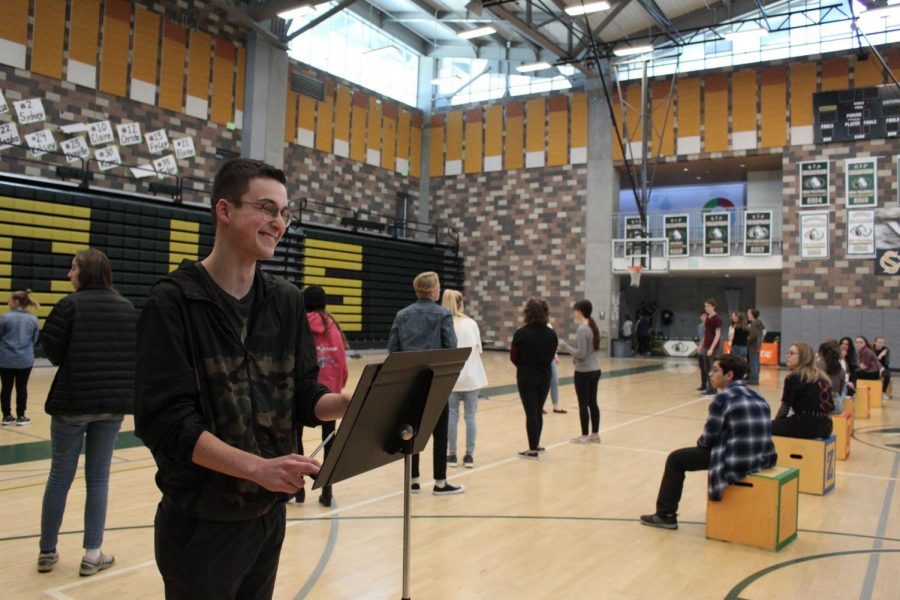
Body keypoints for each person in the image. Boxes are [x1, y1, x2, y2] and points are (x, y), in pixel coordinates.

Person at [134, 159, 350, 599]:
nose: (278, 223)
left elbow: (305, 395)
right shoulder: (173, 302)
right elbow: (166, 423)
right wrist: (258, 469)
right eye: (267, 208)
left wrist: (355, 401)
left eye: (284, 213)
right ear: (225, 210)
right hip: (201, 523)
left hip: (269, 514)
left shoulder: (287, 301)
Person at [37, 249, 137, 576]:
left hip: (71, 402)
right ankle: (92, 554)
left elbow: (51, 351)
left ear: (86, 272)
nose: (69, 274)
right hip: (111, 406)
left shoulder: (70, 306)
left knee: (59, 477)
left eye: (73, 267)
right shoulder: (126, 308)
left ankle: (48, 551)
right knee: (98, 480)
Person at [640, 354, 776, 530]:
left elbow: (708, 437)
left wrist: (701, 444)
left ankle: (666, 515)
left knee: (676, 459)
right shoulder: (758, 397)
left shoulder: (722, 399)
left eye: (715, 370)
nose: (710, 374)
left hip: (737, 459)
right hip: (762, 457)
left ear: (729, 375)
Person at [388, 271, 462, 495]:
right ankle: (440, 482)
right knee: (440, 432)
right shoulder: (442, 315)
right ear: (432, 290)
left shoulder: (402, 315)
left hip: (410, 382)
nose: (440, 291)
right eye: (438, 287)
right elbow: (451, 347)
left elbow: (394, 349)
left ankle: (414, 479)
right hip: (435, 381)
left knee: (411, 429)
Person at [294, 285, 347, 508]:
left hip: (301, 392)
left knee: (295, 440)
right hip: (328, 394)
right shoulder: (332, 326)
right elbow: (342, 362)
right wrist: (338, 387)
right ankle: (327, 489)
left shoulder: (298, 324)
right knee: (329, 442)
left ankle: (297, 490)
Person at [442, 289, 488, 468]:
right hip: (471, 377)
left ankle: (451, 455)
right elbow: (479, 350)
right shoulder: (471, 323)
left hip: (452, 378)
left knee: (452, 416)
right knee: (471, 416)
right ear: (461, 304)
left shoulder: (444, 323)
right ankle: (469, 455)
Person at [510, 298, 558, 459]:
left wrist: (525, 365)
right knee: (537, 410)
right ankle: (536, 445)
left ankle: (532, 449)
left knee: (531, 412)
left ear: (527, 313)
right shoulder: (551, 334)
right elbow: (551, 355)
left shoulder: (521, 333)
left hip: (526, 376)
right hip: (545, 376)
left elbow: (513, 357)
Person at [558, 300, 602, 444]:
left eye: (575, 310)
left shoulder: (582, 329)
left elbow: (581, 354)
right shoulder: (593, 326)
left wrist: (565, 346)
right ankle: (595, 434)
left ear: (580, 311)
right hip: (595, 369)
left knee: (583, 403)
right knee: (592, 402)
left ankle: (584, 436)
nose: (574, 313)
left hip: (584, 372)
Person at [772, 342, 834, 439]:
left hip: (806, 426)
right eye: (787, 353)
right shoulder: (822, 376)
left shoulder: (793, 378)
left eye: (792, 353)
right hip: (826, 426)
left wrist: (776, 423)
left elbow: (784, 409)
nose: (788, 356)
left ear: (803, 357)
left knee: (765, 427)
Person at [0, 290, 40, 425]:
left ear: (16, 302)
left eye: (10, 300)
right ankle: (21, 415)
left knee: (6, 387)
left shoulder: (4, 317)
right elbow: (34, 339)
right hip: (25, 358)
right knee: (22, 387)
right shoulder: (33, 319)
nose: (8, 302)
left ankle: (6, 415)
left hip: (5, 358)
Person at [540, 299, 566, 415]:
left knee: (554, 380)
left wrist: (555, 355)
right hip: (539, 357)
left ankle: (556, 405)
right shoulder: (533, 324)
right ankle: (539, 405)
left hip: (549, 357)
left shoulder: (548, 324)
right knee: (541, 382)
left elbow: (552, 342)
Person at [698, 299, 723, 395]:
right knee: (706, 368)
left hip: (712, 347)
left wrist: (712, 348)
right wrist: (701, 344)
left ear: (713, 307)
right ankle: (709, 387)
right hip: (706, 345)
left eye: (708, 306)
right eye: (705, 306)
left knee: (711, 368)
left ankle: (713, 388)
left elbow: (717, 335)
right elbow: (706, 332)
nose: (706, 308)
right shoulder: (708, 318)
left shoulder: (717, 319)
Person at [818, 340, 846, 413]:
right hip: (837, 406)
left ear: (821, 353)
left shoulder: (816, 366)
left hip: (820, 405)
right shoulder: (841, 369)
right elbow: (840, 391)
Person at [746, 308, 764, 385]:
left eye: (749, 314)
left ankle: (753, 380)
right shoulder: (759, 323)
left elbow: (753, 336)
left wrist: (748, 341)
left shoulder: (753, 324)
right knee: (756, 363)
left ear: (752, 315)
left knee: (753, 363)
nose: (748, 316)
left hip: (753, 346)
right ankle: (755, 378)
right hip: (758, 345)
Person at [695, 313, 707, 390]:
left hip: (705, 349)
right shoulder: (700, 326)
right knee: (702, 368)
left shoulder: (707, 326)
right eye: (702, 316)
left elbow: (705, 337)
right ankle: (703, 384)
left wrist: (701, 346)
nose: (703, 317)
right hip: (700, 350)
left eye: (705, 316)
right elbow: (700, 337)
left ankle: (708, 385)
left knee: (706, 368)